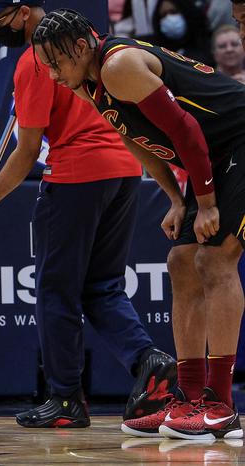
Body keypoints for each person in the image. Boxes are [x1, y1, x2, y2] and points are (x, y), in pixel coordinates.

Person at [32, 7, 245, 440]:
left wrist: (204, 204)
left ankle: (221, 405)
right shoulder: (87, 81)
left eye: (56, 62)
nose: (52, 74)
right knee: (180, 263)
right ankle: (188, 399)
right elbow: (136, 140)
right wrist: (174, 198)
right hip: (213, 156)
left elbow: (185, 131)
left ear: (79, 47)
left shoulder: (119, 65)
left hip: (237, 140)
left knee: (214, 262)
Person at [0, 0, 176, 428]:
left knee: (56, 292)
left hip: (75, 176)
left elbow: (26, 153)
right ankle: (148, 360)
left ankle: (65, 399)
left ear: (24, 12)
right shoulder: (90, 44)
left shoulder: (35, 60)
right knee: (102, 287)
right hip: (126, 169)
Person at [151, 0, 214, 66]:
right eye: (163, 15)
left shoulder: (210, 47)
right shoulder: (157, 53)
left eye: (173, 12)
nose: (169, 18)